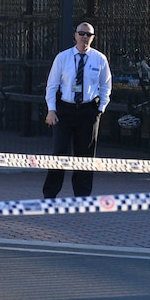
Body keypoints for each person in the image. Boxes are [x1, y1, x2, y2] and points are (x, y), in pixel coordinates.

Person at [42, 21, 112, 198]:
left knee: (85, 155)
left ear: (93, 38)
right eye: (81, 34)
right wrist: (51, 110)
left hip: (88, 110)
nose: (85, 38)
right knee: (60, 152)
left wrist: (100, 108)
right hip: (65, 109)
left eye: (88, 35)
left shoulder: (99, 59)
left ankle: (82, 196)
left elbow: (106, 85)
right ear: (75, 35)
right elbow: (52, 85)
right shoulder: (63, 58)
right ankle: (50, 194)